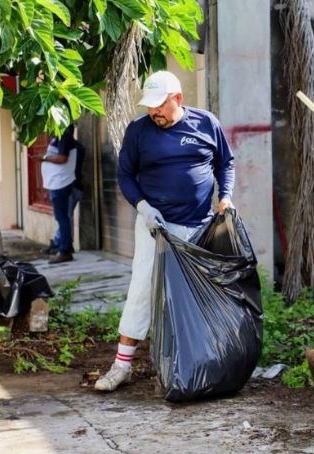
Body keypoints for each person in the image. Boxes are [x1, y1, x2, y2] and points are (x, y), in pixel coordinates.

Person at [95, 70, 235, 391]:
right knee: (142, 291)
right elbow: (125, 175)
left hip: (199, 228)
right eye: (150, 106)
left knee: (198, 295)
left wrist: (225, 197)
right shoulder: (139, 131)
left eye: (160, 105)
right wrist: (142, 206)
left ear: (178, 99)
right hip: (155, 227)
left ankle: (203, 361)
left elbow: (225, 162)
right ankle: (121, 366)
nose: (154, 111)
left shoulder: (205, 123)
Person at [38, 124, 85, 264]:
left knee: (63, 217)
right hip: (56, 183)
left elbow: (62, 158)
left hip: (61, 183)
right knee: (63, 217)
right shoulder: (61, 137)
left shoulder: (64, 135)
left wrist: (45, 157)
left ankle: (64, 250)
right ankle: (64, 246)